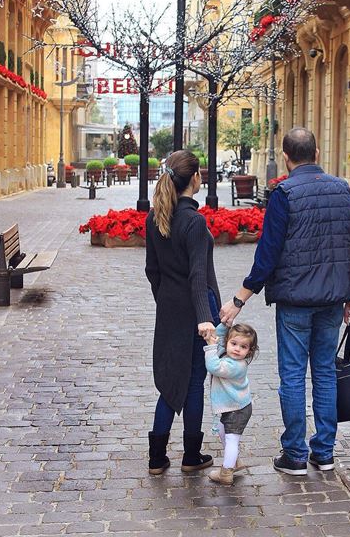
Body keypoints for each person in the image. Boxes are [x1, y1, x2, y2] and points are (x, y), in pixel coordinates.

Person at [220, 127, 350, 475]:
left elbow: (268, 252)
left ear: (286, 157)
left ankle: (296, 454)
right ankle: (324, 452)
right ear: (317, 153)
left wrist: (240, 298)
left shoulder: (283, 192)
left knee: (294, 375)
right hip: (332, 298)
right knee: (326, 373)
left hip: (296, 300)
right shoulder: (341, 188)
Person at [145, 149, 218, 475]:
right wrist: (205, 319)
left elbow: (152, 271)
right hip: (195, 313)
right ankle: (191, 455)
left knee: (170, 383)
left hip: (169, 310)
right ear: (195, 178)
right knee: (192, 384)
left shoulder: (154, 217)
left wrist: (165, 299)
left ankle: (157, 458)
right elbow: (198, 276)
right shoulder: (194, 222)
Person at [203, 322, 258, 485]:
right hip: (232, 407)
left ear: (249, 351)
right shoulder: (228, 355)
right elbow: (220, 338)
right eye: (233, 344)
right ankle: (233, 462)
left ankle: (226, 472)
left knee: (232, 439)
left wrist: (211, 346)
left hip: (238, 410)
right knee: (222, 430)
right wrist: (224, 325)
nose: (237, 349)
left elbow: (213, 366)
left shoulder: (235, 365)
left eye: (243, 347)